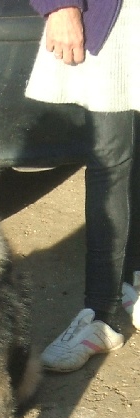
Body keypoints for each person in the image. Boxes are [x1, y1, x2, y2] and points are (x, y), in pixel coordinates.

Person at [26, 0, 140, 372]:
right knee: (111, 159)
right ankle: (102, 316)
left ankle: (134, 282)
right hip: (120, 19)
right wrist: (59, 4)